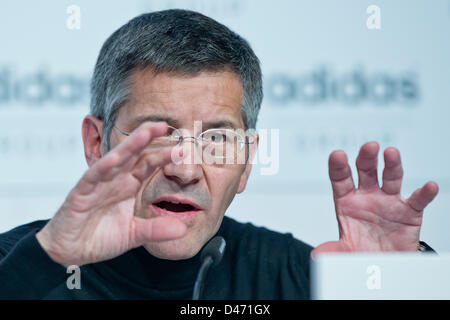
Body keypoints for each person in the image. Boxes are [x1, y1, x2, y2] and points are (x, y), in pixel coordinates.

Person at [0, 9, 439, 299]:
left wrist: (400, 283)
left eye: (217, 139)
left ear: (247, 162)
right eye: (159, 133)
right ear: (97, 145)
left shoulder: (297, 276)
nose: (186, 168)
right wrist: (43, 264)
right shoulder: (20, 267)